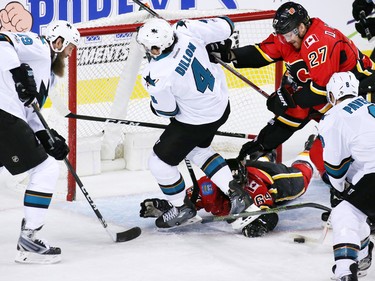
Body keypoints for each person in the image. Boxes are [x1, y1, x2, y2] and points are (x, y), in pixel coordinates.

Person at [206, 2, 375, 180]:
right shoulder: (290, 36)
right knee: (320, 156)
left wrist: (287, 98)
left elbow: (318, 91)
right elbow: (262, 52)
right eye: (283, 35)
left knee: (350, 153)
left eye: (289, 34)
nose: (286, 39)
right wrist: (230, 55)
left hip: (363, 92)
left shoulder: (320, 41)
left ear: (301, 27)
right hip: (333, 104)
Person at [136, 17, 259, 229]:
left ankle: (182, 208)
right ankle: (238, 196)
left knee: (159, 163)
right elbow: (227, 25)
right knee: (197, 150)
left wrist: (155, 105)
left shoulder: (155, 75)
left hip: (195, 122)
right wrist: (212, 45)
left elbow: (167, 110)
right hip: (221, 107)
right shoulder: (185, 29)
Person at [0, 20, 80, 264]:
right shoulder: (38, 45)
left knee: (46, 163)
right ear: (58, 42)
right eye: (70, 48)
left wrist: (47, 137)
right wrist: (17, 74)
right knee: (46, 169)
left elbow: (32, 113)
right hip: (4, 113)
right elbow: (2, 40)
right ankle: (29, 239)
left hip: (10, 115)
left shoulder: (49, 75)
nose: (70, 54)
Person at [140, 136, 315, 237]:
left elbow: (269, 215)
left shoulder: (253, 189)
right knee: (258, 160)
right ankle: (266, 155)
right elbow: (185, 205)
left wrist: (261, 225)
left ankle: (309, 150)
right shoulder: (207, 186)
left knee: (302, 178)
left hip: (273, 179)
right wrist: (164, 206)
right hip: (250, 167)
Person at [318, 71, 374, 281]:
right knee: (357, 206)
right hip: (369, 175)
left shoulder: (333, 117)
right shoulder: (370, 106)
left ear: (331, 95)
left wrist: (339, 189)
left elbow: (335, 166)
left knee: (345, 213)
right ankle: (364, 253)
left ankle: (345, 271)